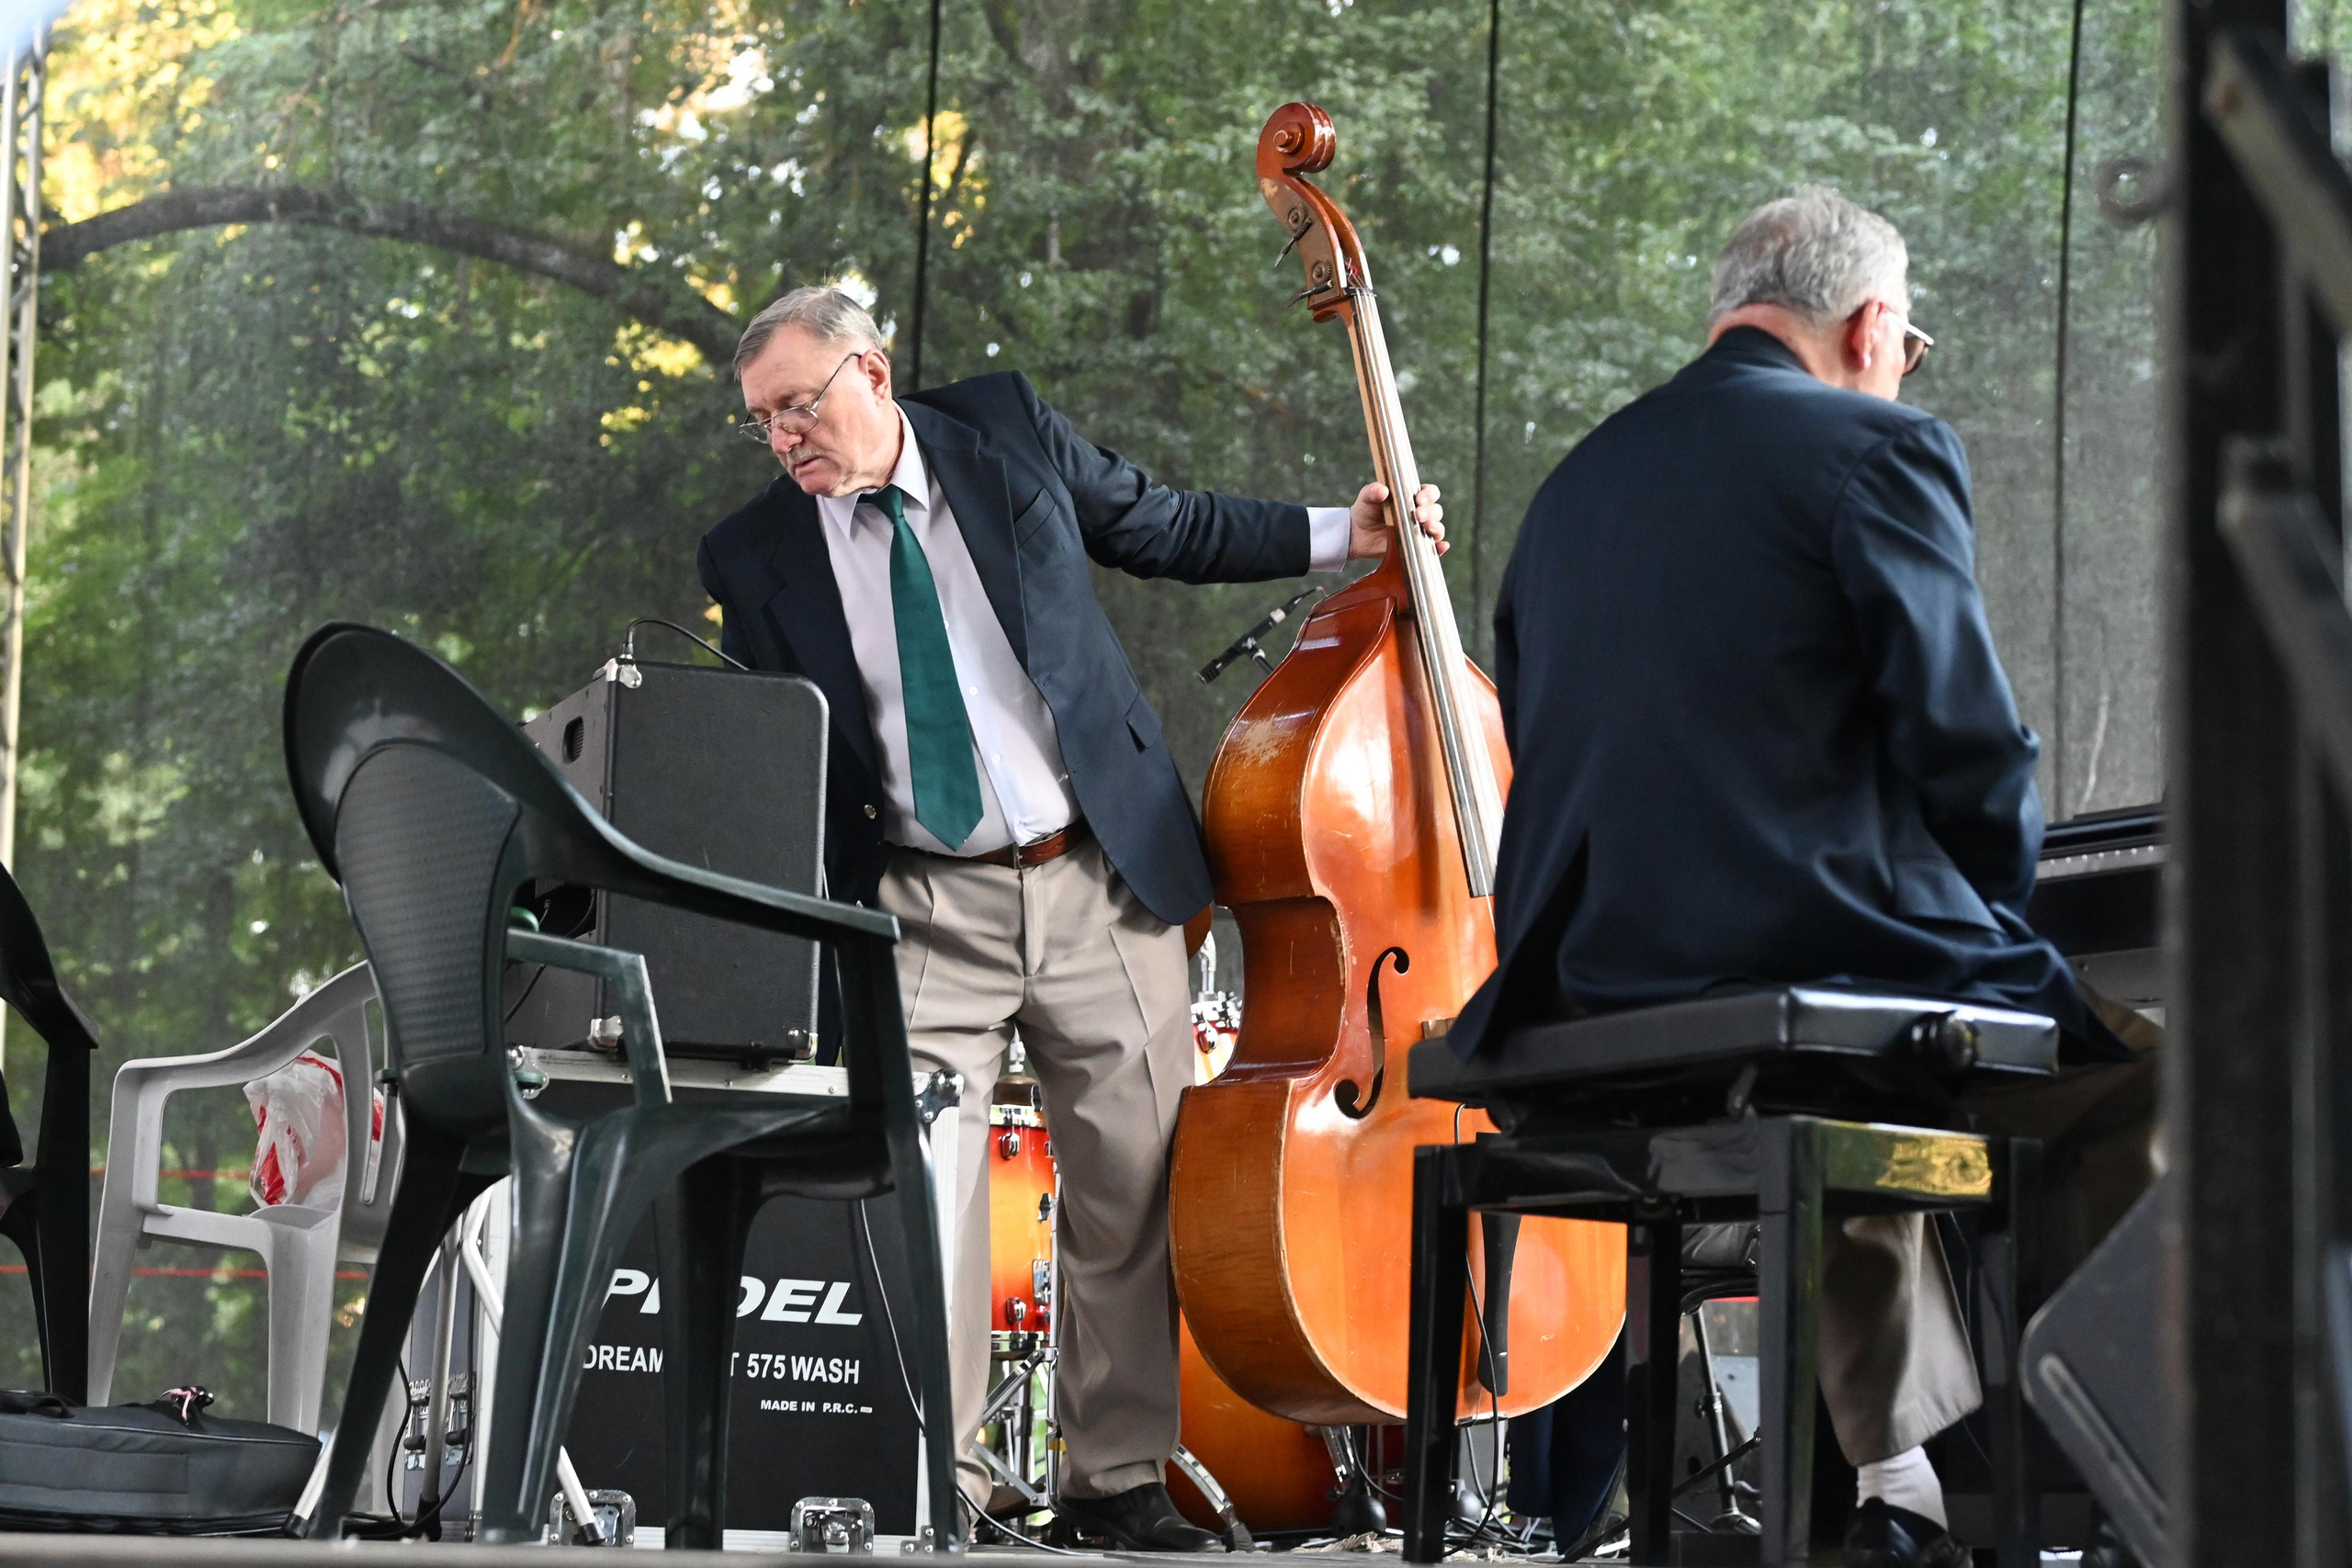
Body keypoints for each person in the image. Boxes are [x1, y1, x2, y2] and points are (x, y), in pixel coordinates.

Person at [1448, 188, 2156, 1568]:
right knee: (2149, 1077)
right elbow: (1967, 748)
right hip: (1786, 962)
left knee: (1854, 1063)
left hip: (1585, 988)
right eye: (1911, 342)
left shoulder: (1572, 491)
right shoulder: (1874, 448)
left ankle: (1892, 1490)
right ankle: (2128, 1482)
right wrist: (1987, 910)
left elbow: (1562, 745)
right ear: (1871, 323)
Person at [695, 286, 1442, 1551]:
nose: (785, 439)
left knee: (1134, 1188)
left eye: (800, 405)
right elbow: (783, 753)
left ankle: (1114, 1481)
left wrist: (1344, 533)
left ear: (871, 373)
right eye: (763, 421)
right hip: (919, 903)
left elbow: (1164, 524)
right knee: (918, 1198)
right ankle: (951, 1487)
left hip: (1099, 871)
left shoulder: (1005, 431)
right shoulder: (753, 553)